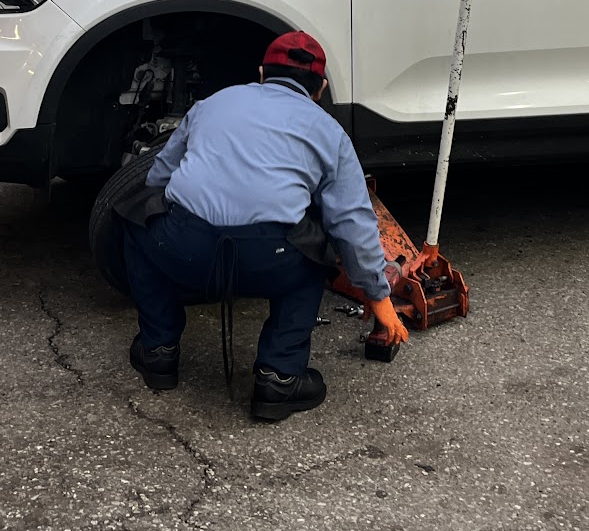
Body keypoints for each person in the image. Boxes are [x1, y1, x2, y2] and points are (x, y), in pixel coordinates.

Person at [122, 31, 409, 421]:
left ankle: (158, 353)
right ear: (320, 88)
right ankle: (279, 378)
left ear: (260, 74)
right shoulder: (330, 132)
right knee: (317, 253)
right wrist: (380, 299)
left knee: (136, 221)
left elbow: (158, 178)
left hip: (185, 249)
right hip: (271, 262)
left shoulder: (212, 104)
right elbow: (352, 224)